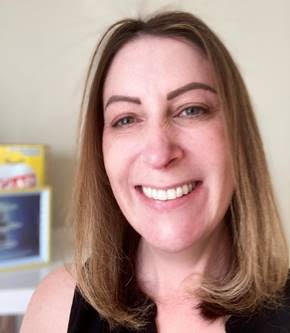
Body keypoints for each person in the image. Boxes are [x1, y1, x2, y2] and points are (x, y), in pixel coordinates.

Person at [21, 10, 290, 333]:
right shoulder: (56, 309)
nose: (159, 153)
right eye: (127, 119)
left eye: (191, 110)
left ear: (238, 136)